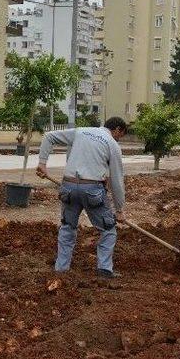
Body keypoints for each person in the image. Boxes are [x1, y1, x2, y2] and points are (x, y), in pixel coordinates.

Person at [36, 117, 127, 278]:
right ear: (117, 129)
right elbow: (116, 181)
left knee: (68, 227)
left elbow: (49, 136)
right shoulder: (112, 144)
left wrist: (42, 164)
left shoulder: (81, 131)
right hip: (92, 190)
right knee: (108, 230)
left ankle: (61, 269)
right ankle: (105, 269)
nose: (119, 139)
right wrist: (119, 209)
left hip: (69, 187)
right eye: (120, 135)